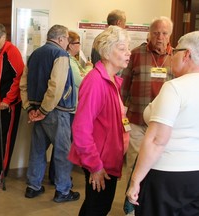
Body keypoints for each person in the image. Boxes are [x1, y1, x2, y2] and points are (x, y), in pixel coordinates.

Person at [126, 31, 199, 216]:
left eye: (174, 51)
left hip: (168, 174)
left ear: (187, 54)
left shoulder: (175, 88)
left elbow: (157, 140)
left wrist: (136, 179)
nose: (171, 55)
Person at [68, 25, 131, 215]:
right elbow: (81, 128)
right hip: (100, 161)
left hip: (109, 158)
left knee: (95, 207)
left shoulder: (113, 80)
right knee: (97, 208)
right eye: (122, 48)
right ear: (106, 51)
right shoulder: (95, 82)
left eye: (128, 48)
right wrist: (95, 165)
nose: (128, 53)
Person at [19, 24, 80, 202]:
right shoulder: (60, 54)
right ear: (60, 39)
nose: (68, 42)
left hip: (37, 110)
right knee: (62, 152)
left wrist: (31, 109)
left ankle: (33, 186)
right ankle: (63, 191)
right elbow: (56, 86)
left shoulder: (34, 54)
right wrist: (45, 110)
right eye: (67, 38)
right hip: (56, 111)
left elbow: (23, 84)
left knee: (37, 150)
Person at [121, 16, 174, 178]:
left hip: (163, 123)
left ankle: (148, 202)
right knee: (134, 163)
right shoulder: (136, 54)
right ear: (150, 33)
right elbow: (124, 87)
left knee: (159, 165)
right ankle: (131, 200)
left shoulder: (176, 57)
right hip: (136, 122)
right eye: (156, 33)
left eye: (164, 33)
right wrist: (121, 114)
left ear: (170, 35)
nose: (160, 37)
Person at [48, 30, 93, 185]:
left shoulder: (73, 60)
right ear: (70, 45)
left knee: (64, 144)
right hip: (69, 108)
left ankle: (60, 176)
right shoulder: (68, 59)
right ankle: (59, 178)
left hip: (73, 107)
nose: (79, 46)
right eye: (77, 43)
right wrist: (88, 68)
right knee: (63, 145)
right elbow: (80, 81)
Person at [0, 23, 24, 189]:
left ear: (3, 37)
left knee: (1, 141)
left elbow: (19, 78)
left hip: (4, 107)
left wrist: (7, 100)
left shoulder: (11, 52)